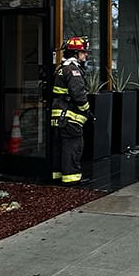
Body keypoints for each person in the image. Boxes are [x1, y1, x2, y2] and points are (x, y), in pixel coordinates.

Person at [49, 36, 92, 184]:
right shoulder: (73, 70)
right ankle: (71, 179)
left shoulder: (61, 69)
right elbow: (79, 95)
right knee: (72, 148)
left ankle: (57, 176)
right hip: (69, 118)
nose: (86, 55)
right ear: (75, 53)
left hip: (59, 117)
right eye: (83, 52)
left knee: (59, 149)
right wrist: (87, 110)